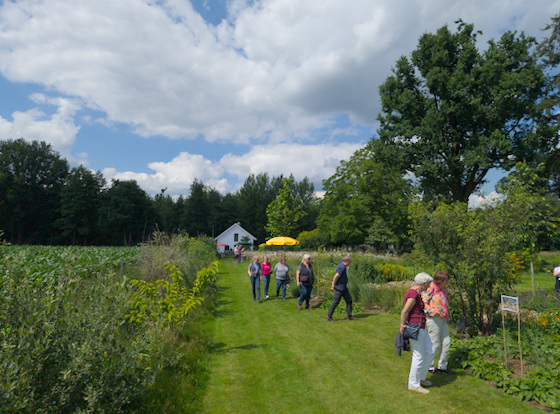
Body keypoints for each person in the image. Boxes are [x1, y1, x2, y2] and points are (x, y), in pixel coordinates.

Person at [400, 272, 436, 394]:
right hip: (414, 327)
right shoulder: (413, 293)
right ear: (423, 284)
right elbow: (405, 311)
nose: (428, 287)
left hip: (421, 326)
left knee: (431, 350)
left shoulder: (417, 293)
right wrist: (403, 325)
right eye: (428, 285)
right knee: (418, 355)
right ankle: (413, 384)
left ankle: (421, 378)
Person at [422, 270, 454, 375]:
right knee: (434, 343)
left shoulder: (442, 289)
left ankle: (442, 366)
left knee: (446, 342)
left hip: (443, 318)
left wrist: (446, 293)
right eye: (446, 281)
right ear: (440, 280)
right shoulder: (431, 287)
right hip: (434, 318)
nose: (447, 283)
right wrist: (435, 312)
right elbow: (423, 302)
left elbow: (445, 301)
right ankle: (429, 367)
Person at [326, 256, 357, 321]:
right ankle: (329, 317)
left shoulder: (342, 263)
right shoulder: (342, 267)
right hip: (340, 288)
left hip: (343, 287)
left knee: (349, 300)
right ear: (347, 261)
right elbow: (336, 276)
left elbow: (342, 259)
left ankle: (349, 316)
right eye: (350, 261)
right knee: (335, 302)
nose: (351, 262)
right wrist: (333, 284)